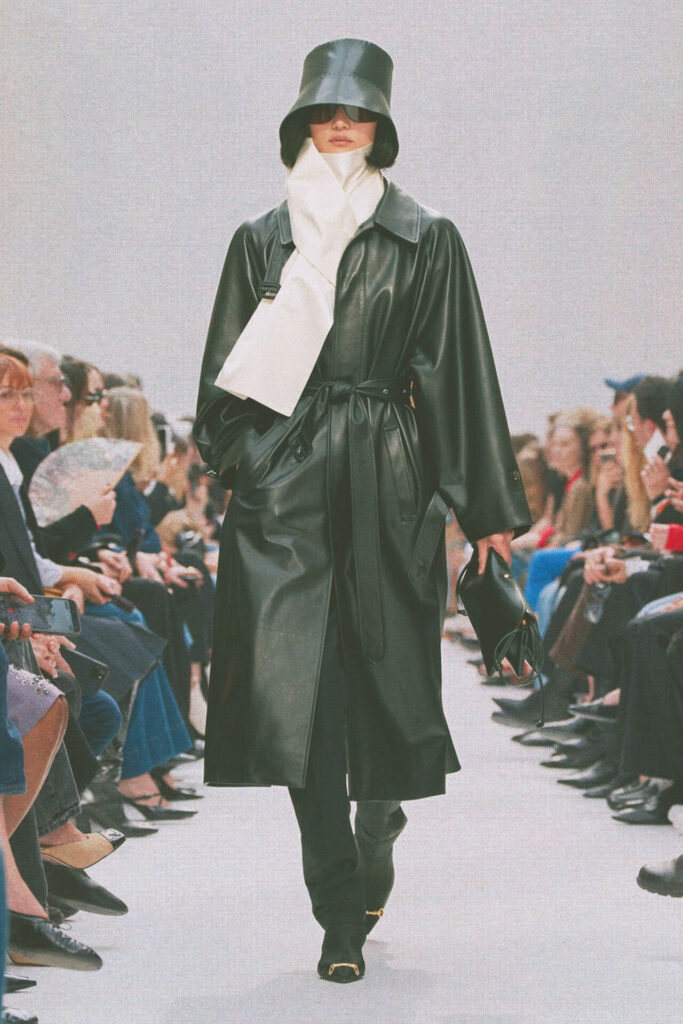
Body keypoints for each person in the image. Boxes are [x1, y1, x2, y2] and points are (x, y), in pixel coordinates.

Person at [195, 38, 530, 982]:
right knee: (295, 693)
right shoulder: (259, 238)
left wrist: (484, 510)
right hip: (286, 486)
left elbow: (459, 375)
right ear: (300, 122)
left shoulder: (428, 236)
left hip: (389, 476)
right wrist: (251, 464)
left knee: (388, 683)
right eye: (325, 111)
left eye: (357, 112)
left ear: (383, 126)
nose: (340, 126)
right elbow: (222, 374)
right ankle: (336, 910)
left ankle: (379, 822)